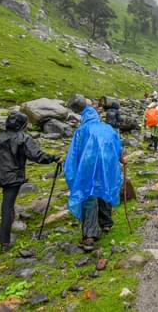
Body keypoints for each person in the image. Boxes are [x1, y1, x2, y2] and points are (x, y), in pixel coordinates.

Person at [0, 112, 59, 252]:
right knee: (7, 206)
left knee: (8, 203)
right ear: (22, 125)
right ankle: (4, 242)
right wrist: (54, 158)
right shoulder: (23, 138)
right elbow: (37, 156)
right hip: (13, 177)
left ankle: (9, 226)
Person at [64, 94, 127, 252]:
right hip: (106, 165)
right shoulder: (107, 128)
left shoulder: (82, 130)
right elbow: (117, 145)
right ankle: (106, 223)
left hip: (89, 166)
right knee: (104, 189)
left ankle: (89, 238)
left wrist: (69, 166)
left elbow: (75, 153)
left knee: (89, 196)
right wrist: (121, 158)